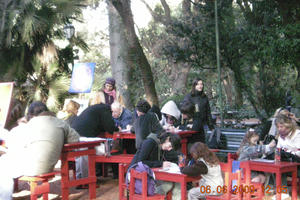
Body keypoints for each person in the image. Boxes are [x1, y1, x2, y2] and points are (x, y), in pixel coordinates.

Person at [0, 101, 80, 200]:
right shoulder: (61, 123)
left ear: (30, 115)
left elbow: (11, 143)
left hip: (30, 167)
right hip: (49, 167)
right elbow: (75, 139)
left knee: (3, 166)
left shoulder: (29, 125)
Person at [71, 103, 118, 179]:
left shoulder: (94, 109)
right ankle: (86, 180)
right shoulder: (105, 110)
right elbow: (110, 127)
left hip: (74, 135)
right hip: (85, 137)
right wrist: (117, 129)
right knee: (107, 150)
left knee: (80, 156)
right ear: (111, 110)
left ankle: (80, 179)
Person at [129, 132, 182, 199]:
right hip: (137, 176)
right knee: (168, 184)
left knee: (177, 182)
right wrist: (161, 163)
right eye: (170, 146)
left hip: (149, 174)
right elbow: (140, 162)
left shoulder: (161, 145)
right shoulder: (150, 142)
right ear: (167, 139)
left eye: (171, 148)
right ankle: (152, 196)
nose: (169, 149)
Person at [182, 78, 214, 143]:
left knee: (203, 144)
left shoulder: (204, 97)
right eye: (198, 84)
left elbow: (208, 112)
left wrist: (211, 126)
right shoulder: (189, 96)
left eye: (201, 84)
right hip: (192, 125)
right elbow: (185, 110)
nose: (200, 86)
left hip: (203, 125)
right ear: (194, 86)